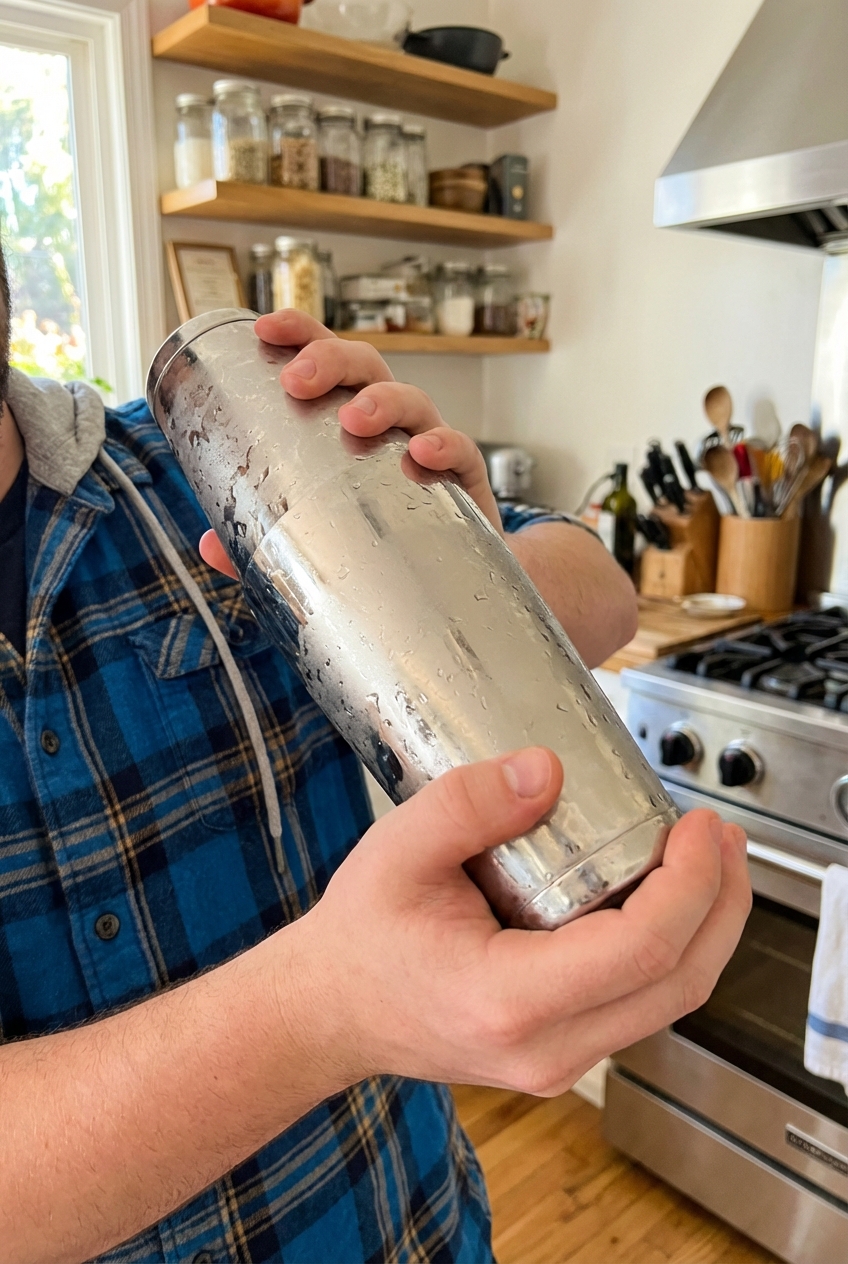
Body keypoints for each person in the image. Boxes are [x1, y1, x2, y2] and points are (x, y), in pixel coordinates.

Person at [0, 239, 751, 1264]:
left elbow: (603, 589)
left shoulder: (188, 456)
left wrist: (448, 551)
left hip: (417, 1230)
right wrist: (327, 1008)